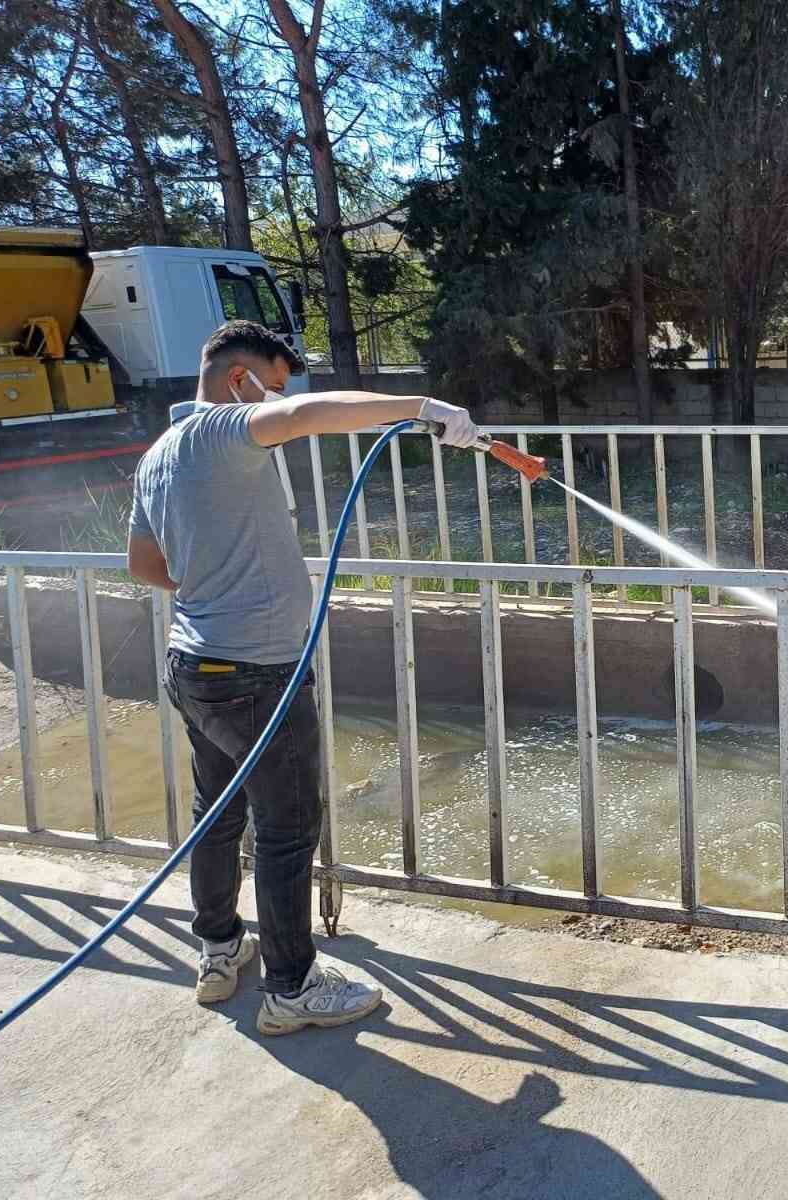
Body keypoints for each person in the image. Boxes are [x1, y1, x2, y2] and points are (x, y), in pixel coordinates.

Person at [126, 320, 479, 1035]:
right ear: (238, 380)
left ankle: (220, 952)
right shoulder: (224, 429)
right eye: (271, 384)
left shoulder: (158, 455)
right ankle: (291, 989)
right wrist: (421, 408)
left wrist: (209, 590)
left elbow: (142, 565)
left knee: (217, 813)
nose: (277, 401)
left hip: (193, 665)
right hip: (257, 675)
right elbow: (308, 417)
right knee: (287, 831)